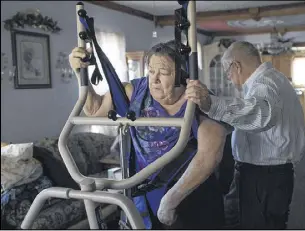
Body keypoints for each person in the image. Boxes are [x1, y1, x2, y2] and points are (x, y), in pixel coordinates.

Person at [69, 40, 227, 229]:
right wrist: (81, 74)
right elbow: (94, 110)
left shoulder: (197, 98)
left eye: (164, 73)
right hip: (146, 187)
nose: (155, 79)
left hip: (189, 189)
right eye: (151, 71)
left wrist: (170, 202)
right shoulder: (134, 91)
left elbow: (211, 151)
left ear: (180, 75)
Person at [185, 41, 305, 229]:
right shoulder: (271, 79)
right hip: (266, 175)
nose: (229, 78)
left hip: (264, 177)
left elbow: (260, 114)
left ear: (236, 66)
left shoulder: (265, 83)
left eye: (228, 72)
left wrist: (212, 104)